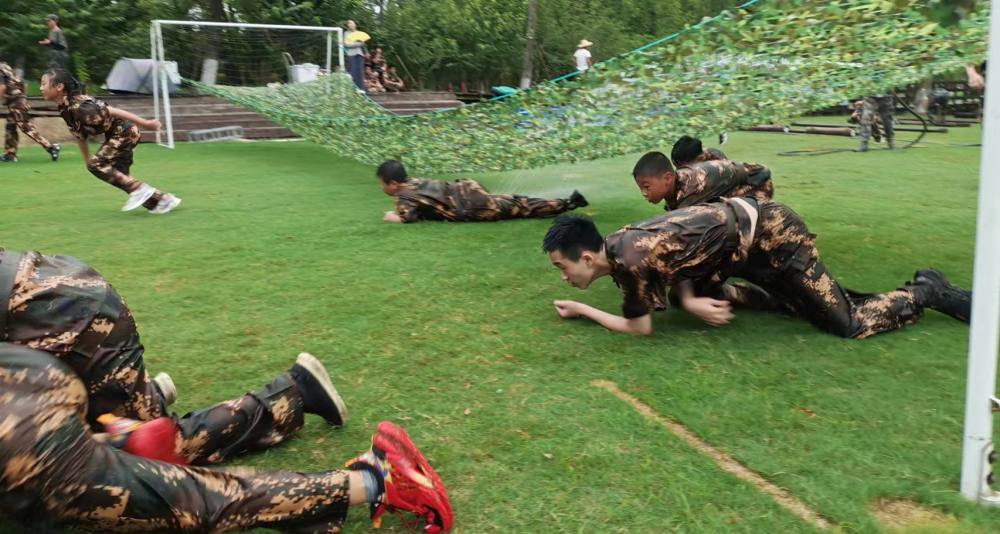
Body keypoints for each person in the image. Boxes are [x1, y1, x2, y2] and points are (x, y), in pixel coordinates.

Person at [0, 343, 453, 534]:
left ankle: (376, 479)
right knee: (152, 454)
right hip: (30, 371)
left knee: (191, 497)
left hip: (21, 431)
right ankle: (292, 396)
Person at [0, 247, 347, 465]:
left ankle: (294, 394)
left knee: (146, 454)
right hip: (51, 297)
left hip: (68, 317)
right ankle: (139, 396)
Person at [541, 204, 971, 338]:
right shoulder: (619, 244)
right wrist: (690, 299)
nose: (564, 277)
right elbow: (678, 259)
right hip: (743, 249)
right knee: (804, 305)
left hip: (774, 238)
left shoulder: (631, 260)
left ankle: (926, 292)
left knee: (846, 324)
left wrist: (582, 309)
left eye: (563, 267)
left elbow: (640, 328)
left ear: (586, 258)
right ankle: (789, 298)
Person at [41, 68, 181, 214]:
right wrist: (88, 161)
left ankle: (141, 190)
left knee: (107, 171)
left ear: (59, 87)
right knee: (120, 177)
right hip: (116, 135)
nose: (41, 88)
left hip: (125, 133)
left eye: (44, 84)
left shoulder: (81, 106)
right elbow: (80, 136)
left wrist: (146, 124)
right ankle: (164, 200)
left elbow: (112, 111)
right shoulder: (65, 109)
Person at [377, 159, 588, 223]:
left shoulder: (403, 195)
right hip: (468, 188)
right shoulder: (414, 182)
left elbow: (408, 218)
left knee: (522, 208)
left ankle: (568, 203)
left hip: (472, 206)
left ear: (393, 184)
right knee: (518, 202)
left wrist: (391, 217)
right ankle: (566, 202)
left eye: (382, 183)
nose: (382, 187)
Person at [632, 150, 773, 211]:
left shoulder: (692, 186)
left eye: (646, 187)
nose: (643, 193)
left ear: (668, 178)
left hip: (756, 183)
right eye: (641, 188)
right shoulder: (675, 189)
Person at [0, 61, 60, 163]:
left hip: (15, 102)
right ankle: (10, 154)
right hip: (17, 100)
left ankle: (51, 147)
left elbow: (2, 87)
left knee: (26, 127)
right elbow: (23, 83)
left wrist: (2, 100)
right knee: (10, 126)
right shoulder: (6, 68)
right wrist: (24, 98)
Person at [344, 20, 370, 91]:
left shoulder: (359, 33)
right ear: (348, 26)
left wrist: (366, 52)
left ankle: (360, 89)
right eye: (349, 24)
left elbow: (363, 44)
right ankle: (352, 89)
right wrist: (358, 44)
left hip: (360, 54)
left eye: (352, 23)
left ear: (355, 25)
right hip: (351, 54)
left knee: (360, 73)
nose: (351, 25)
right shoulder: (346, 33)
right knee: (353, 72)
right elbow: (347, 45)